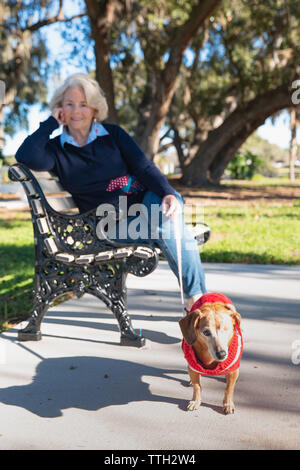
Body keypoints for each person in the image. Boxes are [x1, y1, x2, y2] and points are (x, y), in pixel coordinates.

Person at [15, 73, 206, 311]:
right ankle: (198, 302)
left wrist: (167, 192)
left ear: (94, 109)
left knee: (166, 211)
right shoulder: (56, 151)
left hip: (148, 202)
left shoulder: (113, 134)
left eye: (83, 104)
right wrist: (50, 124)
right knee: (169, 224)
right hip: (109, 225)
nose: (76, 111)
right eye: (69, 104)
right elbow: (25, 156)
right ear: (59, 109)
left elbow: (143, 167)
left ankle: (196, 301)